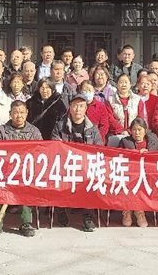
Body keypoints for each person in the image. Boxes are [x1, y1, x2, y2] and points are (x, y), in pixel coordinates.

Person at [0, 100, 43, 238]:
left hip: (27, 173)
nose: (19, 115)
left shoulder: (34, 132)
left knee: (27, 186)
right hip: (5, 172)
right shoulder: (1, 131)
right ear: (10, 114)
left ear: (27, 113)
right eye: (16, 112)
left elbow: (39, 153)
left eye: (22, 112)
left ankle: (26, 223)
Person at [51, 95, 103, 232]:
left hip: (86, 166)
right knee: (57, 176)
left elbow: (99, 149)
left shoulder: (92, 128)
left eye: (81, 106)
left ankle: (88, 216)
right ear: (70, 107)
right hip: (65, 165)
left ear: (86, 109)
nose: (78, 109)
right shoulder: (60, 126)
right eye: (75, 105)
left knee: (91, 179)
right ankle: (60, 209)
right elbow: (55, 146)